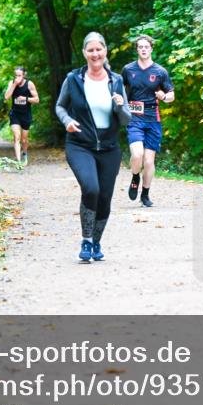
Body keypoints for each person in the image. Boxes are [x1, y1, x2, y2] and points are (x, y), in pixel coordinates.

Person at [56, 32, 132, 262]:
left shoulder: (116, 81)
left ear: (105, 51)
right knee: (91, 189)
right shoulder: (73, 79)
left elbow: (127, 119)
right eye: (90, 50)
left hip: (109, 148)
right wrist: (67, 121)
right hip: (80, 144)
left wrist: (119, 106)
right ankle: (86, 240)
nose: (95, 54)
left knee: (105, 198)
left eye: (99, 49)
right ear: (84, 53)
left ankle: (96, 242)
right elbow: (60, 106)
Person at [122, 35, 175, 207]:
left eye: (146, 46)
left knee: (149, 161)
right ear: (137, 49)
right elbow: (120, 90)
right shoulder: (128, 70)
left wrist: (164, 96)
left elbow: (171, 96)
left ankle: (145, 194)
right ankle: (135, 176)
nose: (143, 49)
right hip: (135, 117)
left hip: (153, 118)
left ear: (151, 49)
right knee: (137, 155)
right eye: (140, 47)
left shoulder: (160, 72)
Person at [4, 66, 38, 165]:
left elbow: (37, 99)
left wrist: (25, 99)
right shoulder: (12, 83)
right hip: (15, 114)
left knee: (24, 140)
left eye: (19, 75)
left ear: (24, 75)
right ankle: (18, 162)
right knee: (17, 137)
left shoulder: (29, 84)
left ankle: (25, 154)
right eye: (16, 75)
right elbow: (6, 97)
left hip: (26, 115)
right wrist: (14, 84)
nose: (17, 77)